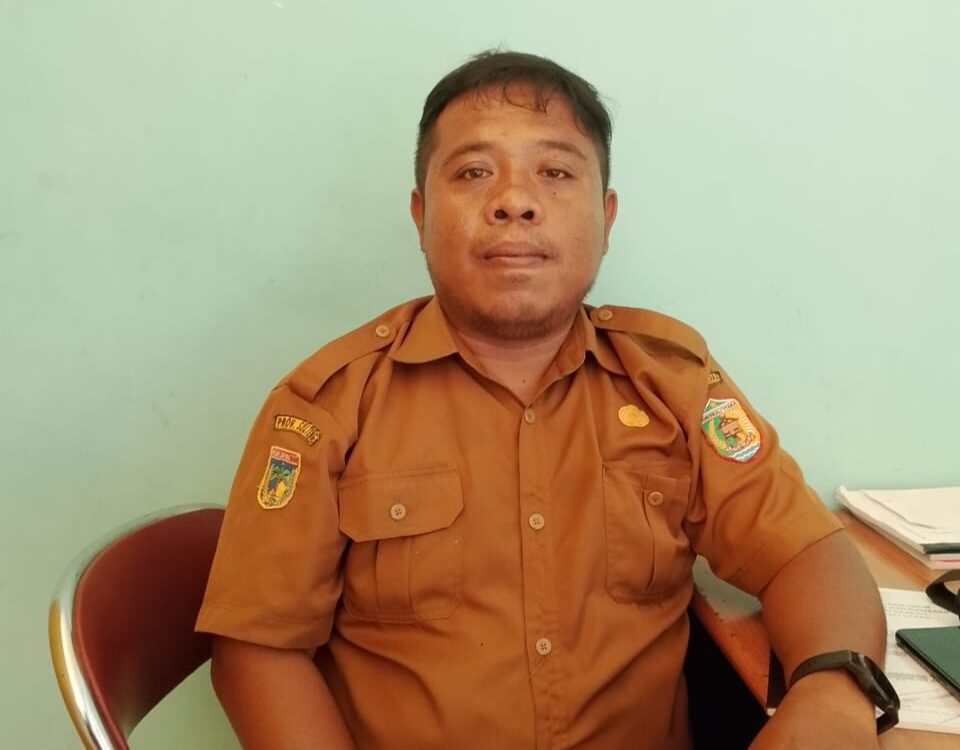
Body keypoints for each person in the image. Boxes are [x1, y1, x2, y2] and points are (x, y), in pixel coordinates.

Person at [196, 50, 892, 750]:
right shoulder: (327, 407)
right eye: (474, 172)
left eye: (555, 172)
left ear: (606, 217)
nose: (515, 200)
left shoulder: (672, 382)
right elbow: (258, 649)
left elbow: (804, 553)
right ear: (420, 214)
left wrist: (835, 692)